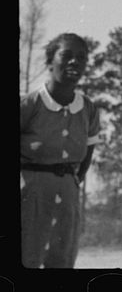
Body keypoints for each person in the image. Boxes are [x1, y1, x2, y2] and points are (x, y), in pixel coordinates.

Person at [20, 32, 101, 268]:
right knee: (28, 255)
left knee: (62, 256)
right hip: (30, 192)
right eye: (66, 55)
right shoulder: (30, 104)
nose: (74, 62)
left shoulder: (87, 108)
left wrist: (73, 179)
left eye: (81, 58)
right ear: (49, 61)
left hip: (68, 194)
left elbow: (88, 150)